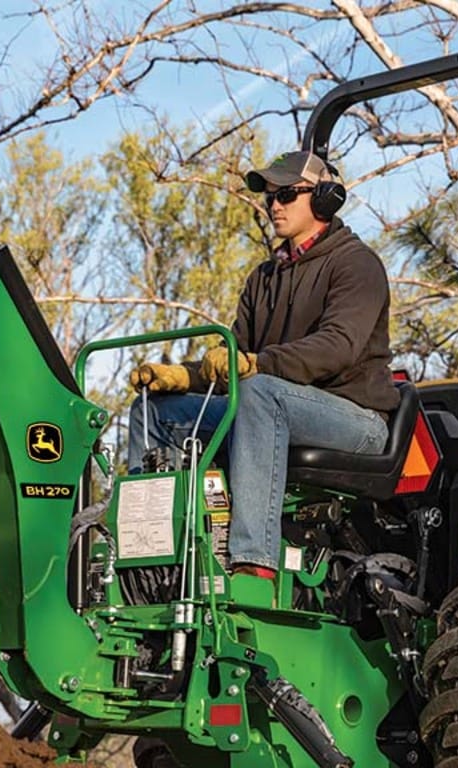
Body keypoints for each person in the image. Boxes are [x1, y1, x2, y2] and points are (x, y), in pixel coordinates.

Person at [127, 150, 400, 580]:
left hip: (355, 418)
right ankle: (147, 555)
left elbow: (337, 347)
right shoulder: (265, 277)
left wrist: (256, 364)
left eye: (287, 194)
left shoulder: (356, 264)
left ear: (325, 199)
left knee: (258, 391)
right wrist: (185, 376)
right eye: (271, 196)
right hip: (274, 404)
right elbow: (236, 358)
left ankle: (253, 562)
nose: (275, 204)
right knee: (155, 410)